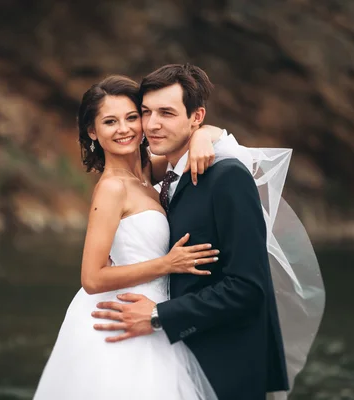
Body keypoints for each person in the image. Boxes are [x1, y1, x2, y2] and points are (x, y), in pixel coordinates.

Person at [91, 64, 325, 400]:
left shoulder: (227, 177)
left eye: (167, 113)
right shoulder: (164, 173)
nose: (153, 124)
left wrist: (158, 316)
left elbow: (248, 287)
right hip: (175, 358)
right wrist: (205, 133)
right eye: (146, 112)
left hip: (224, 365)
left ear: (195, 116)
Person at [33, 74, 241, 400]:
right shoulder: (112, 188)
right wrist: (168, 263)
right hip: (121, 318)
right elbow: (91, 277)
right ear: (92, 131)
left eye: (132, 117)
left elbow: (212, 133)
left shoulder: (145, 172)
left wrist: (200, 137)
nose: (125, 129)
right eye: (110, 121)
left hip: (153, 313)